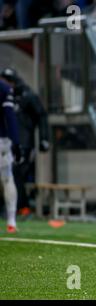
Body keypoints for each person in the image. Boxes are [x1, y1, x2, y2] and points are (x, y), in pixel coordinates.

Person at [0, 68, 50, 216]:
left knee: (15, 173)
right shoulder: (6, 96)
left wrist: (44, 138)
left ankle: (22, 208)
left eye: (6, 80)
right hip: (7, 142)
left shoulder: (27, 96)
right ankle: (12, 208)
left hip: (25, 144)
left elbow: (41, 116)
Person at [0, 78, 22, 233]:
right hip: (1, 140)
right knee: (7, 178)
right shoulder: (3, 88)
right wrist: (16, 142)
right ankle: (11, 221)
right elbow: (10, 116)